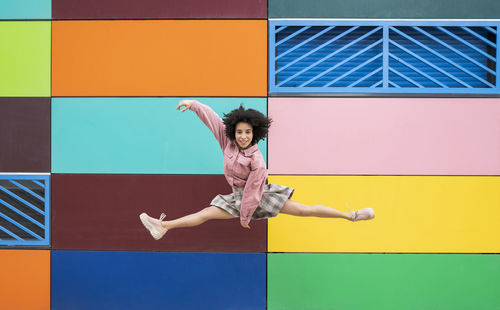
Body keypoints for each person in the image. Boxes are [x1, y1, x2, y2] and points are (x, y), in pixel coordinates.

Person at [140, 99, 374, 240]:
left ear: (255, 134)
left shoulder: (257, 161)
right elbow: (212, 119)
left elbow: (253, 192)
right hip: (238, 197)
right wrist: (194, 105)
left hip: (259, 196)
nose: (243, 136)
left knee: (304, 210)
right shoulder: (228, 142)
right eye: (240, 132)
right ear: (234, 132)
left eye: (248, 133)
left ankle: (350, 216)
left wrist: (245, 217)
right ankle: (162, 227)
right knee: (205, 214)